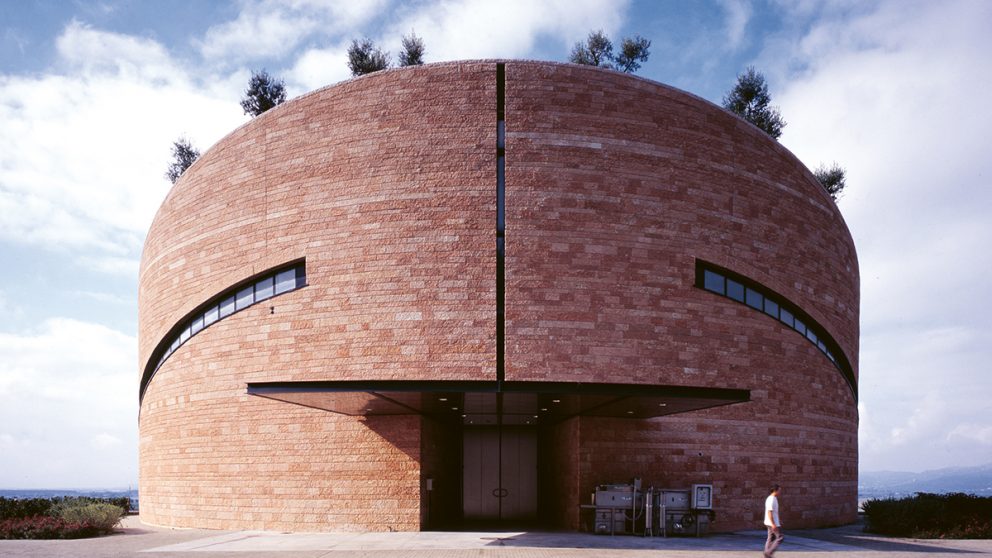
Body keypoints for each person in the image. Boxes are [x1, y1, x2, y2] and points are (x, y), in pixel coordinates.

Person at [763, 484, 783, 557]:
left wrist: (779, 519)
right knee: (780, 537)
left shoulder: (774, 498)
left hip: (771, 522)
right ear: (775, 490)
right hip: (771, 523)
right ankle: (768, 553)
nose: (780, 492)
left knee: (771, 538)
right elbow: (769, 512)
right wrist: (773, 524)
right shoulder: (771, 499)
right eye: (779, 490)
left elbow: (775, 511)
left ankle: (766, 553)